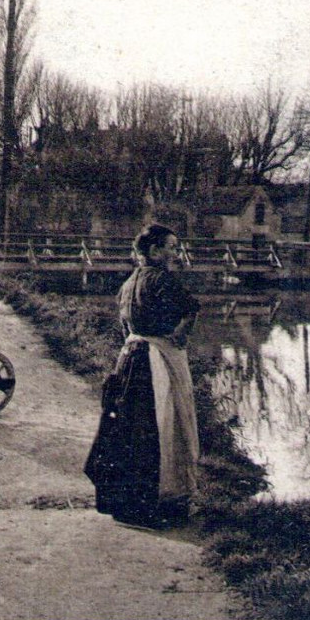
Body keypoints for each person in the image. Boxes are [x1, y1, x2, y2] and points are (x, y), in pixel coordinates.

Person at [84, 224, 201, 527]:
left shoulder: (128, 282)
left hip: (130, 359)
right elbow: (192, 309)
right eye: (172, 247)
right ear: (154, 251)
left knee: (130, 428)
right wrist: (178, 337)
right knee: (163, 425)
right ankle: (163, 500)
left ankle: (128, 504)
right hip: (156, 361)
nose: (176, 253)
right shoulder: (163, 279)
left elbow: (126, 327)